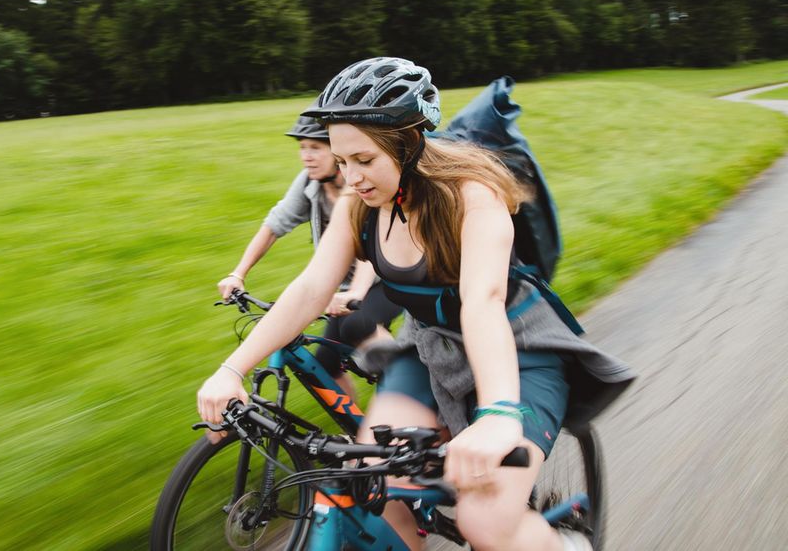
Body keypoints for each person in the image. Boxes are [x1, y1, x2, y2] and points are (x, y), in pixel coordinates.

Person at [199, 57, 635, 550]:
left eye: (364, 160)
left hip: (518, 351)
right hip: (431, 353)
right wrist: (232, 369)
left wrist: (497, 415)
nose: (352, 178)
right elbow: (309, 289)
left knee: (485, 522)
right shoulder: (358, 205)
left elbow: (483, 302)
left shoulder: (471, 196)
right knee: (373, 484)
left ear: (408, 144)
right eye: (342, 162)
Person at [217, 113, 402, 398]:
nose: (306, 156)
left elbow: (370, 242)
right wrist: (238, 273)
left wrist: (357, 291)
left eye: (315, 147)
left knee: (357, 324)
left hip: (385, 278)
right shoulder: (309, 184)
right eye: (302, 148)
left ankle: (413, 391)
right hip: (341, 289)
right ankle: (356, 431)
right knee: (325, 366)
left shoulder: (362, 186)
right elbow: (274, 225)